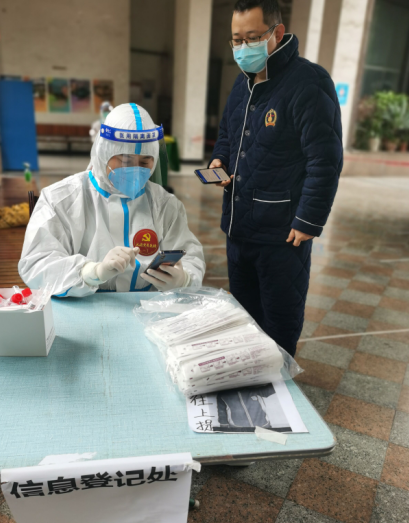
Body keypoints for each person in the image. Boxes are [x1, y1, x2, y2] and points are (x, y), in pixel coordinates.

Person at [209, 0, 343, 356]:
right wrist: (219, 160)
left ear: (277, 33)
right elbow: (227, 135)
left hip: (283, 234)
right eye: (237, 39)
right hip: (238, 227)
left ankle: (279, 382)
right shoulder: (242, 84)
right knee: (243, 315)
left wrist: (308, 220)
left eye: (252, 38)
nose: (243, 47)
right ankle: (248, 374)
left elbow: (325, 159)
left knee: (279, 319)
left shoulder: (309, 82)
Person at [19, 103, 205, 296]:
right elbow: (36, 262)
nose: (135, 170)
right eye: (125, 161)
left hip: (147, 305)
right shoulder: (61, 199)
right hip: (82, 303)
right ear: (103, 153)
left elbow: (190, 255)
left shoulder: (164, 205)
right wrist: (90, 273)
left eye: (144, 162)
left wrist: (185, 279)